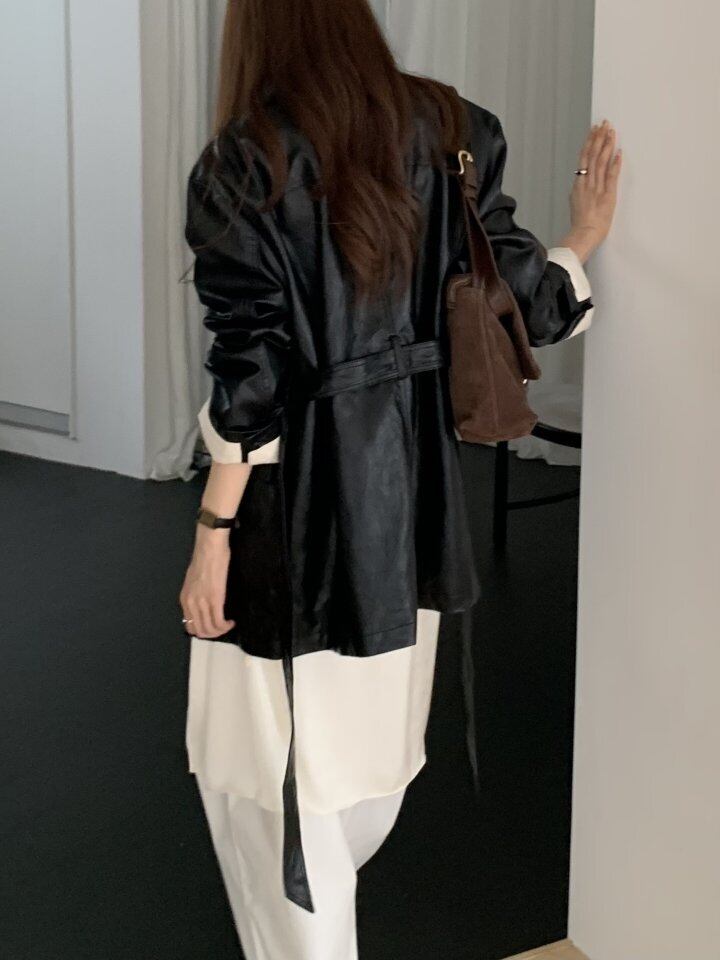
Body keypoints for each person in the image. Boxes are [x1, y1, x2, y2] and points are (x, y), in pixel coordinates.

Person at [179, 0, 622, 957]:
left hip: (292, 520)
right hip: (413, 506)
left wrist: (213, 536)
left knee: (267, 786)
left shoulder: (246, 162)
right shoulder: (451, 130)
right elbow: (523, 306)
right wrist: (582, 241)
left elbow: (253, 381)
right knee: (360, 763)